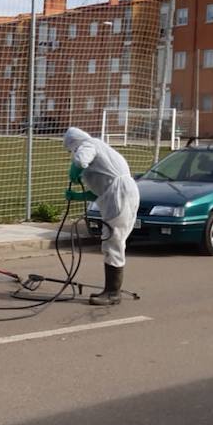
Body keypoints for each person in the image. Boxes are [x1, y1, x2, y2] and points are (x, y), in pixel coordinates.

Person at [63, 127, 140, 305]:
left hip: (119, 195)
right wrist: (78, 196)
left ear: (74, 144)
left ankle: (113, 293)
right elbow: (102, 191)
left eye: (71, 150)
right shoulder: (102, 150)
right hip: (121, 194)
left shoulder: (88, 145)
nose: (72, 153)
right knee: (115, 239)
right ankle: (112, 290)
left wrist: (74, 169)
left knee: (113, 240)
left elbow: (81, 161)